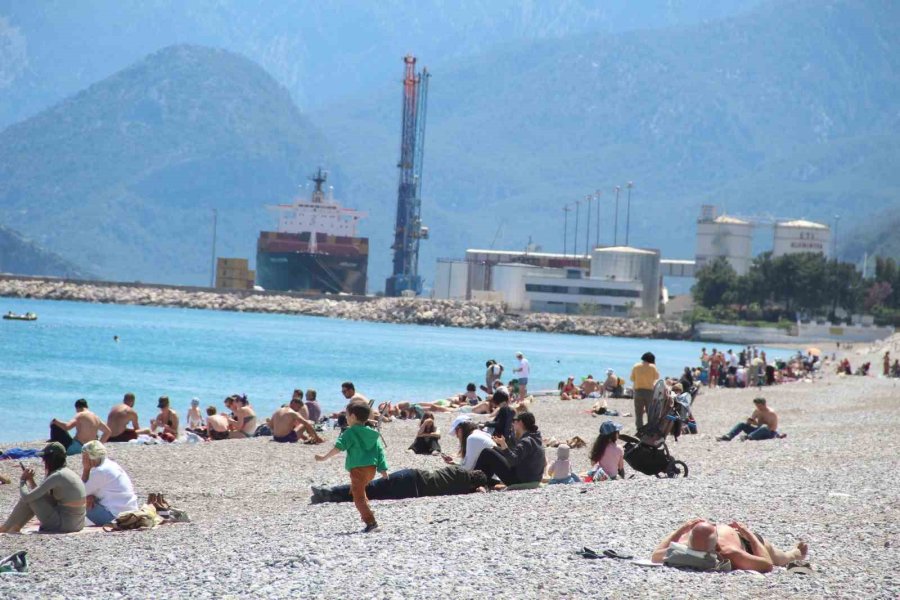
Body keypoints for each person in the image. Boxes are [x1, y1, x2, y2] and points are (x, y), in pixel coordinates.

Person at [315, 400, 388, 533]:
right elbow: (379, 451)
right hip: (371, 470)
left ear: (353, 417)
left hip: (358, 470)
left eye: (347, 415)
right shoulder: (372, 433)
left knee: (357, 497)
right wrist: (383, 469)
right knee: (360, 492)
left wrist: (324, 457)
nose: (346, 418)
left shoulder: (350, 432)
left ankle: (371, 522)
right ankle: (367, 510)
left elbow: (338, 447)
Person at [650, 518, 809, 573]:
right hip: (742, 539)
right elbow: (767, 564)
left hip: (735, 537)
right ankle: (795, 555)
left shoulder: (686, 546)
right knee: (779, 559)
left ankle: (795, 554)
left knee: (779, 557)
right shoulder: (729, 552)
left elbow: (656, 554)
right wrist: (749, 534)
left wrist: (682, 528)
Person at [0, 442, 85, 534]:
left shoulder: (57, 476)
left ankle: (6, 527)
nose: (43, 462)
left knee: (29, 498)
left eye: (44, 459)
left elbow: (27, 497)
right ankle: (12, 526)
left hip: (64, 525)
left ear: (50, 460)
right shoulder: (66, 473)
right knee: (34, 497)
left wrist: (22, 480)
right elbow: (42, 496)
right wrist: (31, 480)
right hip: (77, 523)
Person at [311, 466, 488, 504]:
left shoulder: (458, 471)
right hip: (413, 490)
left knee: (371, 486)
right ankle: (332, 495)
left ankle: (331, 492)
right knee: (373, 493)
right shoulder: (464, 490)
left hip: (414, 475)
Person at [473, 412, 546, 487]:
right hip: (531, 477)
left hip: (520, 480)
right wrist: (501, 447)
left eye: (514, 421)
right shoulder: (535, 438)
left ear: (520, 423)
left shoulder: (526, 441)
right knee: (494, 449)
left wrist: (504, 446)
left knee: (487, 452)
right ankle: (483, 482)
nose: (513, 424)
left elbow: (513, 461)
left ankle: (474, 482)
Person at [80, 441, 138, 526]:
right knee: (85, 499)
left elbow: (79, 492)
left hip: (115, 517)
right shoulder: (111, 465)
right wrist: (89, 496)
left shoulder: (100, 471)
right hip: (130, 512)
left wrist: (86, 469)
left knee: (76, 502)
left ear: (89, 457)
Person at [717, 398, 783, 441]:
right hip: (757, 430)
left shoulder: (771, 413)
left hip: (769, 433)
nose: (758, 407)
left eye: (759, 406)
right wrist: (750, 422)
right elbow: (750, 423)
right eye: (756, 405)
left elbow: (771, 428)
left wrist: (757, 424)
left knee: (764, 427)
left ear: (764, 404)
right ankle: (729, 436)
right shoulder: (757, 411)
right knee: (741, 424)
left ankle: (748, 437)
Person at [630, 352, 660, 431]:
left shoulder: (636, 366)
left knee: (638, 412)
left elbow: (632, 378)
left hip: (638, 391)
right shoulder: (653, 367)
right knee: (649, 412)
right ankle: (650, 427)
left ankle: (639, 428)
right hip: (649, 392)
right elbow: (657, 377)